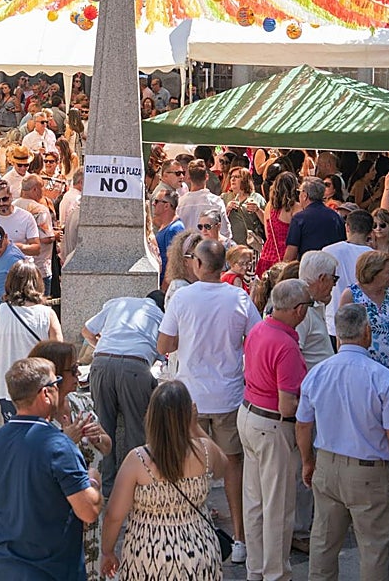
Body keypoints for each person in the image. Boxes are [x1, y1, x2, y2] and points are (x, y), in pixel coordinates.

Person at [158, 238, 262, 561]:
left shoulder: (182, 297)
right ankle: (240, 539)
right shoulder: (239, 298)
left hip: (191, 396)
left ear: (198, 264)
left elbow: (163, 345)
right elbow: (255, 339)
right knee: (233, 466)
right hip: (229, 395)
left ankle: (194, 529)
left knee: (190, 463)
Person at [296, 303, 389, 581]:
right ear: (367, 331)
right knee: (373, 550)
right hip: (369, 472)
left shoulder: (318, 373)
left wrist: (308, 462)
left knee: (323, 544)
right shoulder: (380, 376)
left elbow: (303, 423)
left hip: (327, 463)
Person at [0, 357, 103, 581]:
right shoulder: (59, 446)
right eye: (56, 383)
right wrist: (93, 480)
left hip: (5, 570)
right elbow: (88, 511)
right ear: (45, 393)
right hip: (53, 571)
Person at [100, 380, 228, 581]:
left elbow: (114, 515)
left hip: (149, 556)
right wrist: (194, 428)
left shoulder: (137, 460)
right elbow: (223, 466)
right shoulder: (204, 450)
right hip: (200, 552)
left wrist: (107, 551)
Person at [239, 278, 310, 581]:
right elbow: (287, 405)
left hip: (249, 415)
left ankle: (256, 570)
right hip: (271, 424)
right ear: (297, 310)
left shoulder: (260, 329)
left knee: (254, 502)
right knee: (278, 506)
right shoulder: (286, 344)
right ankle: (276, 574)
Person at [30, 340, 113, 581]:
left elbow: (107, 448)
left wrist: (99, 438)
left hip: (91, 508)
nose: (78, 374)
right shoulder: (38, 416)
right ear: (53, 373)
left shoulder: (82, 403)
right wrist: (66, 440)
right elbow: (34, 461)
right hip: (58, 514)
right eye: (73, 370)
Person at [82, 291, 165, 497]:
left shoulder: (116, 302)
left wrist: (101, 346)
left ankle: (106, 487)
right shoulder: (159, 315)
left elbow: (86, 330)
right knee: (137, 429)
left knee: (102, 428)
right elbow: (164, 351)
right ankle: (135, 487)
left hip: (101, 362)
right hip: (135, 367)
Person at [0, 260, 63, 421]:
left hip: (6, 385)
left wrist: (4, 360)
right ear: (38, 283)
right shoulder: (48, 314)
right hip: (39, 385)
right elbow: (59, 353)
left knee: (12, 430)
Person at [343, 251, 389, 384]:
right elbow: (342, 335)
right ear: (374, 273)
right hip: (364, 368)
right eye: (388, 272)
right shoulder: (351, 295)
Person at [322, 209, 374, 329]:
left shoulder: (328, 251)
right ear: (370, 232)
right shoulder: (373, 256)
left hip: (334, 320)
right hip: (364, 323)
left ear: (347, 227)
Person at [283, 177, 346, 262]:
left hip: (308, 267)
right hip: (331, 267)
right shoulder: (336, 217)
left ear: (305, 196)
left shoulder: (299, 219)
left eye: (299, 192)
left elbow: (291, 253)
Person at [257, 171, 298, 277]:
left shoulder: (269, 206)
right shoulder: (296, 208)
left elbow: (268, 234)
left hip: (267, 255)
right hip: (286, 257)